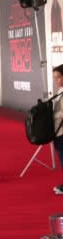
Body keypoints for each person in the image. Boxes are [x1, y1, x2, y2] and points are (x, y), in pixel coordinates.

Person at [51, 65, 63, 194]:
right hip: (58, 130)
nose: (56, 80)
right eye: (55, 78)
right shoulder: (60, 90)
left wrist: (53, 116)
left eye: (59, 77)